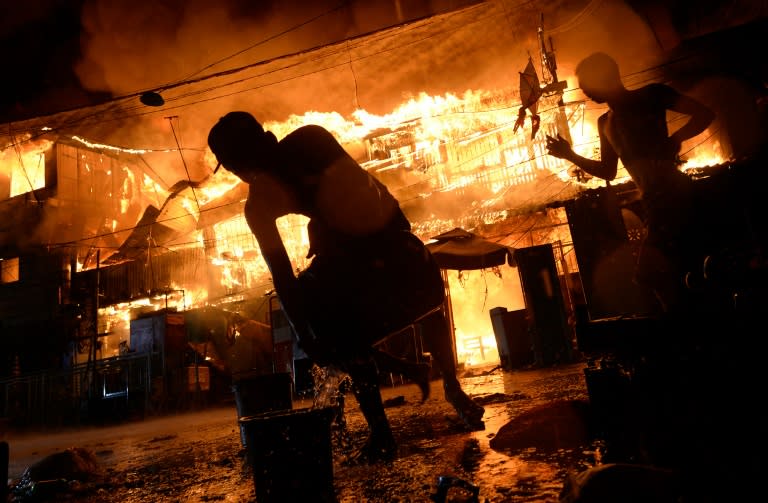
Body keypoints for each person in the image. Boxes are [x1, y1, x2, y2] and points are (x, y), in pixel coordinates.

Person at [207, 111, 484, 462]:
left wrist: (326, 246)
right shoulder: (261, 202)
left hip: (390, 243)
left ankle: (442, 396)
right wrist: (307, 335)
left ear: (247, 159)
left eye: (236, 164)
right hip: (367, 258)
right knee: (323, 314)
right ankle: (391, 424)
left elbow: (359, 201)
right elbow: (283, 278)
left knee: (400, 304)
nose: (240, 173)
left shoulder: (309, 142)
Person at [545, 52, 715, 312]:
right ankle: (692, 321)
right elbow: (607, 171)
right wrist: (570, 155)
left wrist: (675, 140)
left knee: (652, 273)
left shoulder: (651, 95)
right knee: (672, 271)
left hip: (672, 193)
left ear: (606, 78)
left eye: (588, 84)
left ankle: (688, 324)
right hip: (653, 201)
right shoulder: (605, 124)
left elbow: (704, 113)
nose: (586, 92)